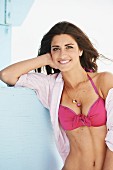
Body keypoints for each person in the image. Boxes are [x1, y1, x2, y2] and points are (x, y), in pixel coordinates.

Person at [0, 21, 113, 170]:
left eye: (69, 47)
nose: (62, 54)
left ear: (80, 50)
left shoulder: (103, 81)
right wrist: (46, 59)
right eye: (56, 49)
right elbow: (7, 75)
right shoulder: (51, 87)